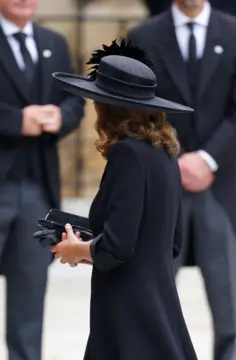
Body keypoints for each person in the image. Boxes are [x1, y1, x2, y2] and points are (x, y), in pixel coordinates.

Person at [49, 39, 198, 360]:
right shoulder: (166, 151)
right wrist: (91, 248)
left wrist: (76, 249)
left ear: (106, 108)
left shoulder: (127, 155)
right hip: (156, 297)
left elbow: (119, 245)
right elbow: (170, 241)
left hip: (126, 305)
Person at [0, 0, 85, 359]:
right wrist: (17, 120)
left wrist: (61, 116)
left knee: (31, 295)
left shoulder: (54, 42)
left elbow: (75, 100)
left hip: (37, 190)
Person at [127, 1, 236, 359]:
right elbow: (139, 109)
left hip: (219, 181)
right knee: (157, 284)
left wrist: (206, 159)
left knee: (226, 290)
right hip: (165, 181)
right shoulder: (144, 35)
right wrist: (175, 161)